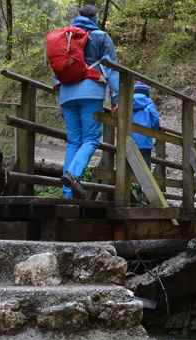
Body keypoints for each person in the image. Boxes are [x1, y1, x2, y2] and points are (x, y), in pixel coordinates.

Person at [55, 5, 120, 199]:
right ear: (95, 17)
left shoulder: (64, 36)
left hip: (66, 92)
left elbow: (56, 67)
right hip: (90, 91)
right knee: (91, 139)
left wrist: (59, 90)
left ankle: (67, 194)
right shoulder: (101, 36)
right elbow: (111, 69)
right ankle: (73, 175)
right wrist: (116, 97)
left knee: (74, 141)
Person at [131, 81, 161, 166]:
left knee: (130, 166)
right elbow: (155, 119)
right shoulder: (149, 103)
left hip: (129, 140)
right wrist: (154, 132)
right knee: (145, 167)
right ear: (147, 92)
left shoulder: (128, 102)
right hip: (145, 141)